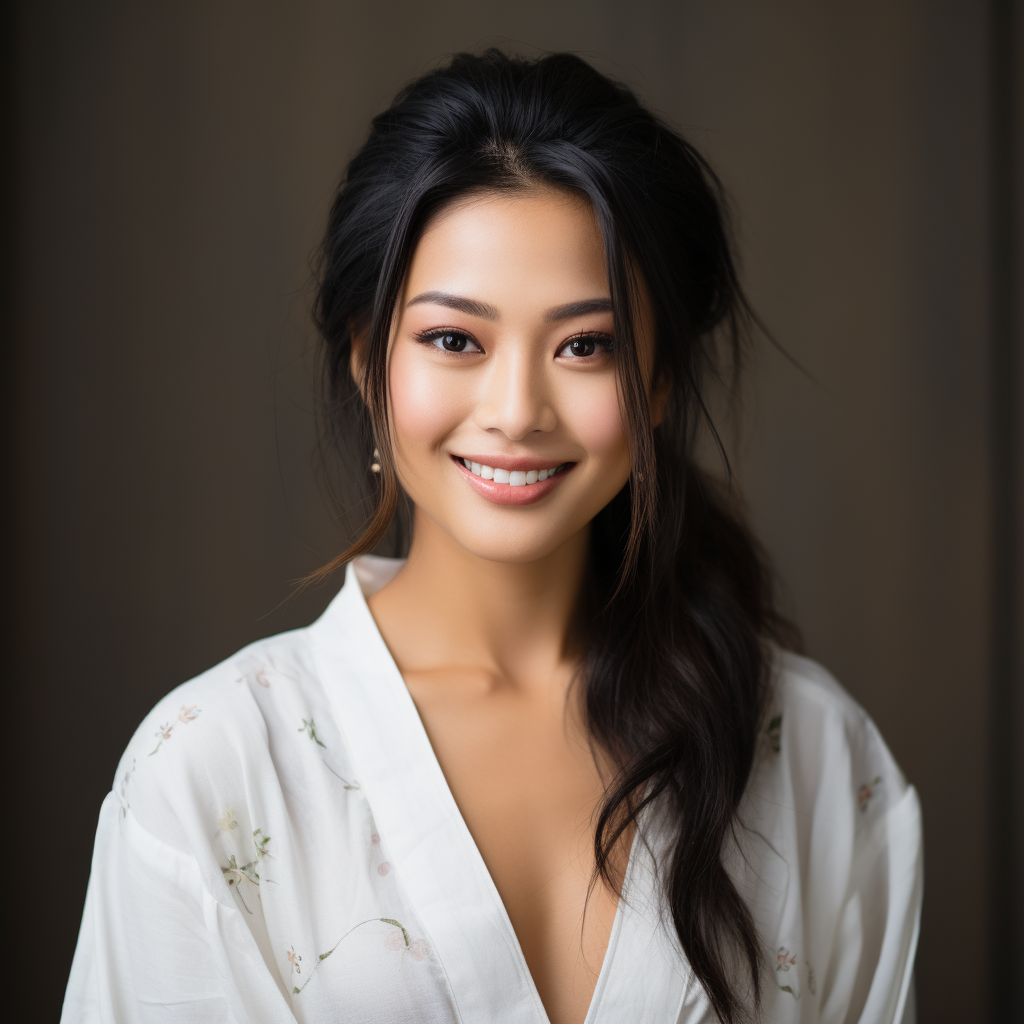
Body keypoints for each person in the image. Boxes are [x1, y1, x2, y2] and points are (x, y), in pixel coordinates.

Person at [61, 49, 922, 1024]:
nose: (515, 410)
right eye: (454, 339)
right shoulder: (209, 773)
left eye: (583, 346)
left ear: (659, 381)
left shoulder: (816, 756)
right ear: (364, 358)